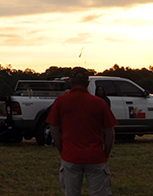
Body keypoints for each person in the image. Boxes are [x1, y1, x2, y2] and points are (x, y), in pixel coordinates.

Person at [48, 67, 118, 196]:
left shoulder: (60, 102)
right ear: (88, 83)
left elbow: (54, 130)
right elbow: (110, 133)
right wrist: (105, 154)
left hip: (70, 156)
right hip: (96, 157)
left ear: (71, 82)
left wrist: (62, 151)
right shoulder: (100, 103)